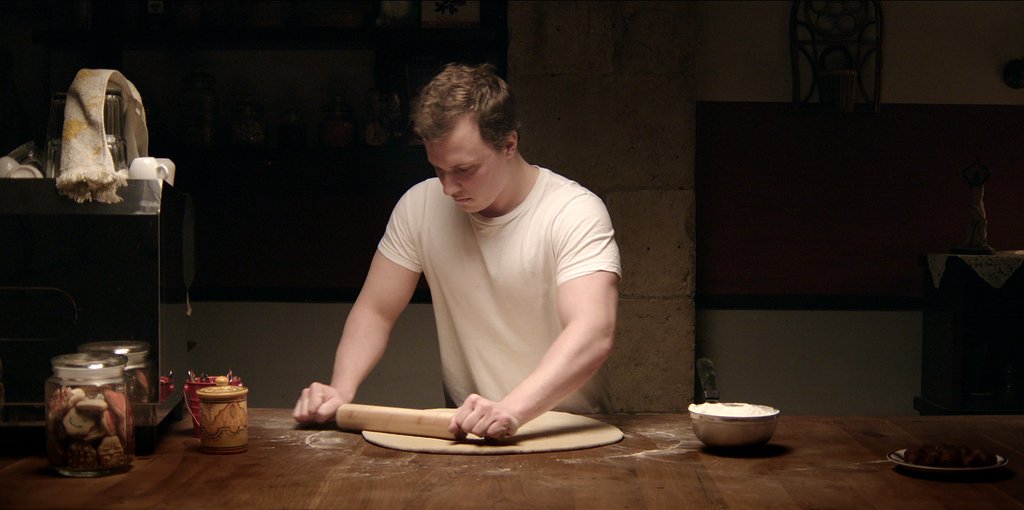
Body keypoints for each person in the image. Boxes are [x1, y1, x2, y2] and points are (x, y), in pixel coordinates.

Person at [293, 63, 621, 439]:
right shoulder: (419, 207)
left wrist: (511, 409)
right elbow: (375, 311)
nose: (449, 188)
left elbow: (593, 331)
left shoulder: (573, 212)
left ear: (509, 144)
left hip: (568, 432)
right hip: (466, 434)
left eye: (463, 169)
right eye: (438, 169)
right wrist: (341, 390)